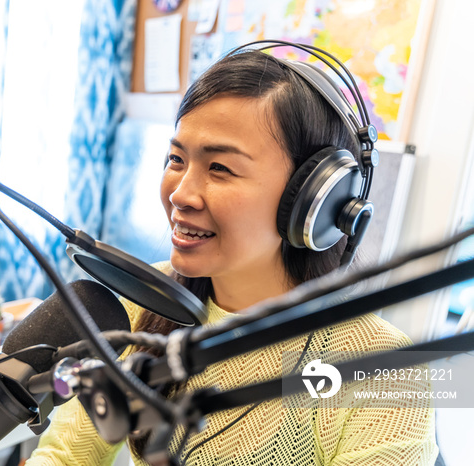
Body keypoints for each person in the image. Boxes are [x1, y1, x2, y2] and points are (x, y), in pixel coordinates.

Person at [25, 46, 438, 465]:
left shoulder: (383, 370)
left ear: (313, 201)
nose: (181, 194)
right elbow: (63, 456)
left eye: (220, 167)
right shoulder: (139, 304)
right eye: (176, 159)